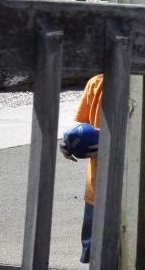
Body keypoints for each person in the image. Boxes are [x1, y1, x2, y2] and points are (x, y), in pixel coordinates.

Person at [59, 74, 104, 264]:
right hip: (96, 187)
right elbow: (82, 127)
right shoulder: (96, 83)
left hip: (136, 190)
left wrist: (114, 140)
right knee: (96, 253)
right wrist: (70, 142)